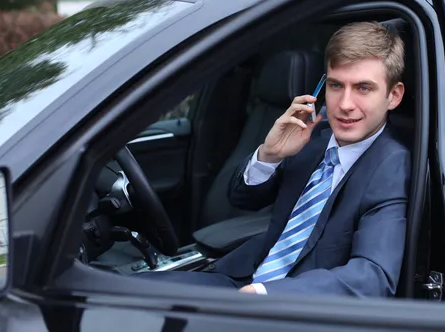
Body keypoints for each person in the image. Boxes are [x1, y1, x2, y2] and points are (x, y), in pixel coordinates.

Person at [139, 21, 411, 298]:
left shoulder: (392, 165)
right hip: (240, 276)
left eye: (363, 88)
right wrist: (270, 155)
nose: (344, 104)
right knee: (133, 293)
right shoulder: (312, 138)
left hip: (298, 306)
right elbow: (243, 198)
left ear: (394, 95)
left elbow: (372, 276)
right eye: (336, 85)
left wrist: (265, 295)